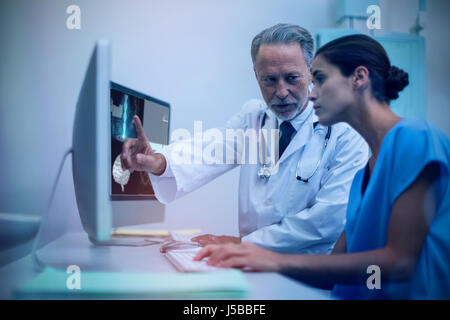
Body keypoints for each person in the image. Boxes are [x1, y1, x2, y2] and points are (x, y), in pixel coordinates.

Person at [194, 34, 450, 299]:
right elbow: (335, 265)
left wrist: (272, 259)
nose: (311, 94)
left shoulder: (416, 138)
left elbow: (400, 263)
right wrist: (246, 261)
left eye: (320, 79)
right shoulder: (365, 172)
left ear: (359, 78)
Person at [121, 24, 369, 254]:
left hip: (309, 274)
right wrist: (158, 161)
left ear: (311, 71)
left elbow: (328, 220)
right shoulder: (255, 117)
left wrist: (243, 243)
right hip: (251, 263)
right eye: (269, 80)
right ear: (256, 74)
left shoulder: (345, 132)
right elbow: (210, 150)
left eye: (292, 78)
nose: (281, 92)